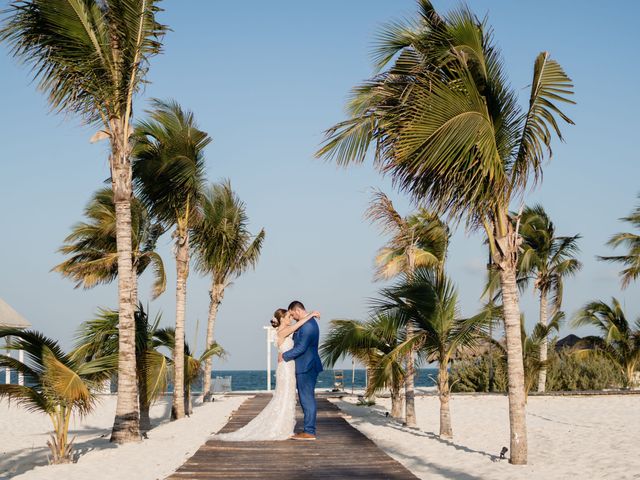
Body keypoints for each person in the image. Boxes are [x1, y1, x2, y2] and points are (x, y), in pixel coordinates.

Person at [216, 307, 320, 441]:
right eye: (289, 317)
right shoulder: (283, 331)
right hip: (286, 367)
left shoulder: (286, 330)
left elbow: (299, 329)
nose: (292, 319)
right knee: (285, 397)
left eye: (291, 316)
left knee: (288, 397)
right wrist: (311, 314)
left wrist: (309, 315)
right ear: (282, 319)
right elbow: (299, 325)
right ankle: (283, 427)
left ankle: (289, 427)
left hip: (289, 366)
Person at [280, 300, 323, 440]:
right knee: (305, 398)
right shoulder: (306, 323)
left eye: (293, 314)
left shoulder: (308, 327)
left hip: (307, 366)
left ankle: (309, 431)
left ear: (297, 310)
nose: (292, 318)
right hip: (306, 366)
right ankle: (308, 429)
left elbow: (301, 348)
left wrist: (284, 356)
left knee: (307, 399)